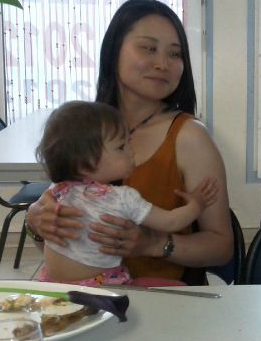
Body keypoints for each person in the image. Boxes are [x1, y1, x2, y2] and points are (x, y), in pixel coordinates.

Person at [27, 0, 233, 285]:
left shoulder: (189, 136)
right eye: (149, 48)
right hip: (87, 298)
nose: (162, 64)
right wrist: (37, 223)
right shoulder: (84, 129)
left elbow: (222, 248)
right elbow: (66, 248)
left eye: (175, 54)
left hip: (165, 299)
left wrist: (152, 243)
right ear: (114, 51)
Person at [35, 101, 219, 286]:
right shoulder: (122, 198)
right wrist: (196, 205)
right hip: (104, 287)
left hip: (53, 287)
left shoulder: (57, 191)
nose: (131, 151)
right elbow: (171, 222)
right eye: (121, 147)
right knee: (178, 288)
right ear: (85, 162)